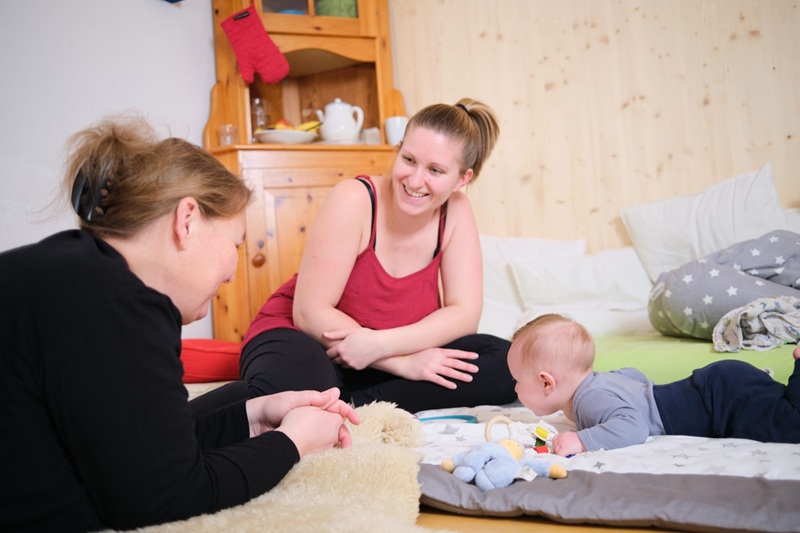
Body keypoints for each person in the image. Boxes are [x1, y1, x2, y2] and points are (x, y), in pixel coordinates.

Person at [0, 116, 360, 532]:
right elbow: (166, 495)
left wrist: (254, 416)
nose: (232, 273)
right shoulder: (120, 304)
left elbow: (140, 446)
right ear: (186, 219)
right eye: (235, 243)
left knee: (242, 394)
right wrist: (293, 443)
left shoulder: (80, 274)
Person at [192, 98, 517, 416]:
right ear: (398, 149)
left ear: (462, 179)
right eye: (408, 160)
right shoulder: (355, 199)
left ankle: (353, 406)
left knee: (507, 363)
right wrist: (401, 363)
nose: (415, 180)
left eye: (435, 170)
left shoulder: (457, 211)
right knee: (292, 392)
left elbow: (464, 313)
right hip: (308, 338)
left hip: (381, 351)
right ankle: (331, 404)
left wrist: (382, 345)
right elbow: (310, 312)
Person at [507, 313, 800, 457]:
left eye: (517, 381)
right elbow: (632, 375)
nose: (515, 389)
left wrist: (583, 441)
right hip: (718, 385)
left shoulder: (589, 399)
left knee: (793, 425)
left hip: (720, 403)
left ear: (547, 383)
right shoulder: (596, 384)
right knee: (782, 407)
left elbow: (633, 427)